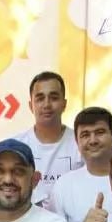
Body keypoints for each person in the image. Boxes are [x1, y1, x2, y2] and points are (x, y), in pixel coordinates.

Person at [14, 71, 83, 209]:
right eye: (40, 98)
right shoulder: (16, 147)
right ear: (31, 105)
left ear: (64, 104)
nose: (46, 104)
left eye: (54, 98)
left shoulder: (81, 145)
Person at [52, 107, 112, 222]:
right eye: (85, 135)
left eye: (99, 132)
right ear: (77, 142)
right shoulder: (64, 186)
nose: (93, 141)